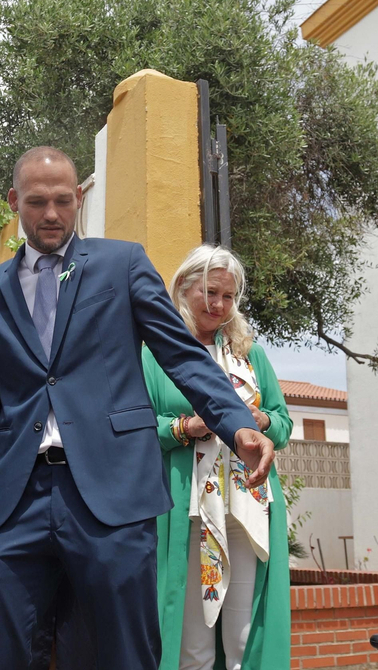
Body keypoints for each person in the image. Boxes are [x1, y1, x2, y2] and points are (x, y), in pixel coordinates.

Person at [0, 146, 274, 670]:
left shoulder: (122, 263)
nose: (50, 214)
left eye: (61, 201)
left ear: (79, 199)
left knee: (118, 650)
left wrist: (236, 426)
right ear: (15, 202)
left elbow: (183, 355)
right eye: (36, 202)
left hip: (111, 493)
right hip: (14, 496)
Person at [142, 245, 292, 670]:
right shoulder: (154, 353)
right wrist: (186, 427)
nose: (218, 305)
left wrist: (260, 421)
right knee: (194, 640)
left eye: (228, 296)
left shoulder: (250, 352)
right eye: (209, 292)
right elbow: (135, 429)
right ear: (183, 289)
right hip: (188, 509)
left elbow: (283, 424)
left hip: (248, 505)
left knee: (243, 634)